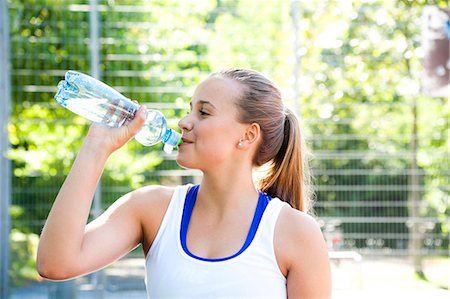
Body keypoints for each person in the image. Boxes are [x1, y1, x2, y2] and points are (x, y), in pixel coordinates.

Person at [37, 68, 332, 298]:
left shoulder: (294, 232)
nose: (184, 122)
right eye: (190, 109)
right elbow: (55, 263)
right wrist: (96, 146)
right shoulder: (151, 209)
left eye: (203, 112)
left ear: (248, 136)